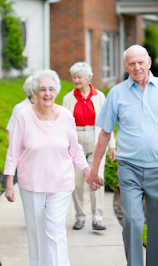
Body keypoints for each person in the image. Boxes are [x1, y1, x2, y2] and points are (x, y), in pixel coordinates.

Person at [86, 45, 158, 266]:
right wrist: (94, 170)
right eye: (131, 63)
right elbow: (105, 134)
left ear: (149, 62)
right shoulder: (116, 93)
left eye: (140, 62)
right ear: (125, 66)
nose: (137, 67)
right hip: (130, 168)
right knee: (133, 222)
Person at [3, 69, 92, 266]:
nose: (47, 93)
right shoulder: (24, 116)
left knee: (55, 227)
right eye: (42, 89)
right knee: (36, 230)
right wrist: (9, 182)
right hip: (32, 183)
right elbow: (14, 150)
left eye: (51, 89)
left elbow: (75, 149)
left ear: (57, 91)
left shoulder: (67, 116)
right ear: (35, 91)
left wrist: (88, 171)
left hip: (61, 182)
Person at [62, 62, 116, 231]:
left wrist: (112, 145)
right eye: (74, 77)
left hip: (96, 144)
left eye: (79, 77)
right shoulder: (68, 98)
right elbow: (63, 124)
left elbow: (107, 122)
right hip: (75, 145)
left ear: (88, 78)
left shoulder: (99, 96)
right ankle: (79, 217)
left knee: (97, 181)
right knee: (77, 183)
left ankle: (98, 218)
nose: (76, 80)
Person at [6, 76, 37, 143]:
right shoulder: (19, 108)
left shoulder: (46, 107)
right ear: (32, 90)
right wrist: (13, 152)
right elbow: (10, 131)